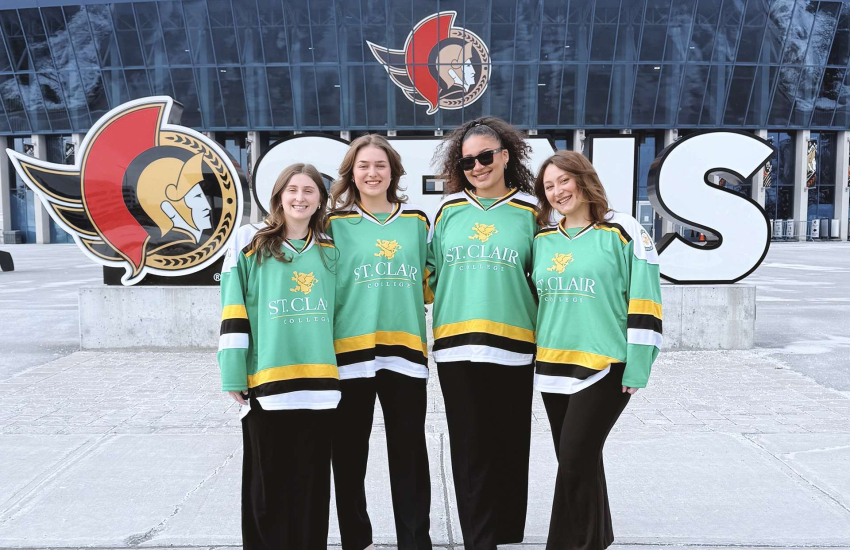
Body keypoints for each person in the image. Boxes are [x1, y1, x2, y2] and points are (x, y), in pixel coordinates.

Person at [532, 151, 662, 549]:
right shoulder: (542, 239)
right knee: (580, 462)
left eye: (564, 181)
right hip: (553, 368)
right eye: (549, 186)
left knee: (573, 460)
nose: (557, 192)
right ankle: (598, 537)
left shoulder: (622, 230)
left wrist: (638, 366)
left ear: (583, 180)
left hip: (604, 368)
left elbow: (646, 298)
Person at [428, 117, 538, 550]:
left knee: (510, 443)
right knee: (470, 447)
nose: (477, 166)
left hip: (514, 346)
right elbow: (430, 273)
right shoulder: (448, 211)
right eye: (468, 160)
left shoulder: (533, 211)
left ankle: (508, 532)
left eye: (485, 156)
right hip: (456, 348)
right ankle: (480, 538)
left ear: (505, 156)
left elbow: (544, 277)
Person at [217, 163, 339, 550]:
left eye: (309, 191)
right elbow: (232, 308)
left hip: (320, 388)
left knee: (312, 484)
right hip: (267, 385)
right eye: (293, 190)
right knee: (265, 485)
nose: (300, 198)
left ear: (321, 200)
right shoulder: (248, 242)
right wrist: (233, 373)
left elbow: (340, 316)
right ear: (279, 196)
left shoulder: (331, 250)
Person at [328, 135, 432, 550]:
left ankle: (414, 541)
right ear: (351, 173)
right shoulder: (332, 224)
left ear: (394, 172)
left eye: (380, 166)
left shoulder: (417, 222)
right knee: (349, 456)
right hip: (348, 357)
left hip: (405, 357)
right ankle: (356, 538)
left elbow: (431, 285)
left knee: (409, 455)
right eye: (363, 166)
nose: (372, 173)